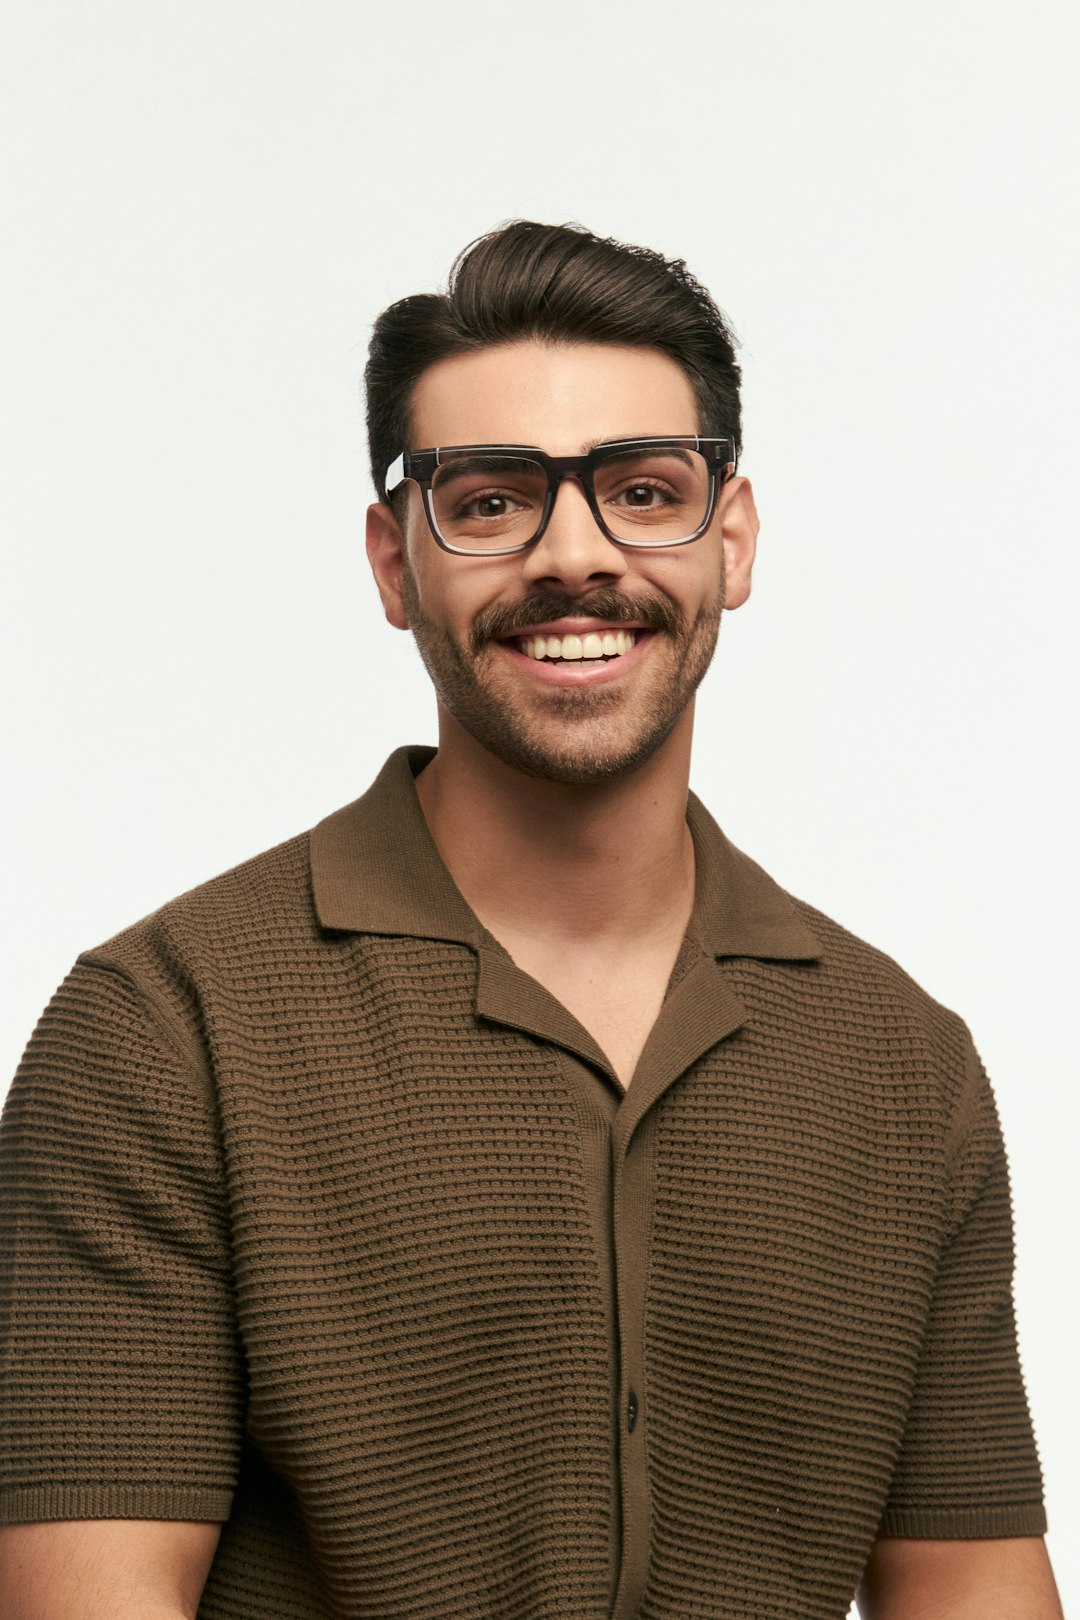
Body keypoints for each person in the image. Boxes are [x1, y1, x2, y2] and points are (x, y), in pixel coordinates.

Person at [0, 220, 1063, 1620]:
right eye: (492, 499)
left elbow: (976, 1595)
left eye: (642, 489)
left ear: (730, 541)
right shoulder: (164, 1032)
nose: (577, 555)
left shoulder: (904, 1066)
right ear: (394, 563)